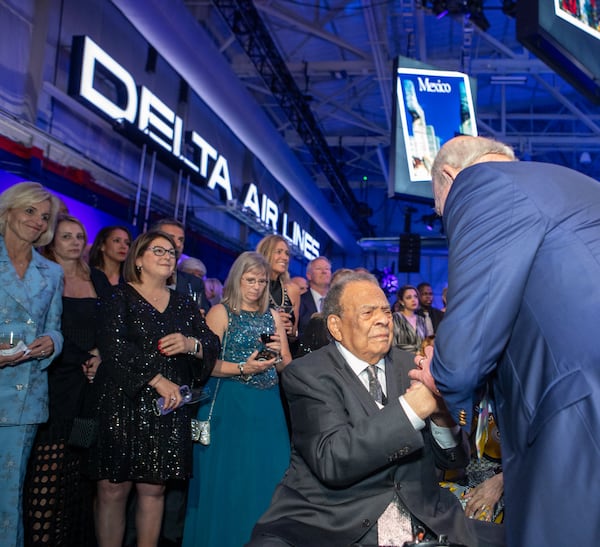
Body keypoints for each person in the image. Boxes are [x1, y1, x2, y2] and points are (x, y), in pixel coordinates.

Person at [409, 135, 600, 547]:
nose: (446, 220)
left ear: (448, 176)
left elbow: (462, 357)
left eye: (440, 209)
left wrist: (440, 383)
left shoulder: (478, 185)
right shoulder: (569, 183)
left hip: (577, 406)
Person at [248, 271, 503, 547]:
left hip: (425, 517)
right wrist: (414, 408)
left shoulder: (412, 367)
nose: (383, 319)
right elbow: (334, 459)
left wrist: (441, 414)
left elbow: (455, 461)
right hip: (338, 521)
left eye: (384, 310)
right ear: (336, 326)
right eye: (368, 313)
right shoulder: (308, 373)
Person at [90, 230, 219, 547]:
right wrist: (157, 380)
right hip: (121, 400)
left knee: (154, 488)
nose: (167, 256)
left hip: (167, 407)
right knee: (112, 488)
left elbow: (212, 345)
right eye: (158, 251)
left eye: (171, 253)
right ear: (138, 259)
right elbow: (114, 348)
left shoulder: (183, 304)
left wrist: (191, 344)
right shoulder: (118, 297)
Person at [183, 251, 292, 547]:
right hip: (230, 402)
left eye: (261, 281)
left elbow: (286, 365)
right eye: (250, 280)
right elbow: (206, 365)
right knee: (230, 481)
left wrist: (277, 354)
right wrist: (245, 367)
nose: (256, 287)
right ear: (237, 279)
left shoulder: (272, 316)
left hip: (268, 404)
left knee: (269, 476)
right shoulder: (220, 312)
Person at [24, 214, 99, 546]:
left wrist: (100, 355)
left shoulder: (97, 278)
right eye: (66, 236)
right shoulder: (41, 276)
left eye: (79, 236)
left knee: (79, 472)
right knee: (46, 471)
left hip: (90, 386)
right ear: (52, 240)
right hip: (54, 379)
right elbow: (34, 331)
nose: (74, 242)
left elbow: (112, 328)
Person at [0, 182, 63, 547]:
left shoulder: (51, 272)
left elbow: (55, 326)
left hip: (23, 398)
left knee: (8, 499)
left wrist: (52, 342)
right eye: (30, 212)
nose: (38, 222)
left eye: (44, 216)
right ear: (9, 210)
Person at [151, 219, 211, 315]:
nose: (178, 244)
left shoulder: (194, 284)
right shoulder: (135, 279)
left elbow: (206, 318)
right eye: (170, 238)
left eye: (181, 240)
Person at [256, 234, 300, 342]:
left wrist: (291, 330)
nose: (285, 258)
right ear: (265, 253)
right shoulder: (255, 286)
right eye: (279, 252)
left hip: (286, 353)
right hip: (257, 350)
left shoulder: (292, 290)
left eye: (287, 253)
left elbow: (295, 333)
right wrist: (273, 322)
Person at [88, 225, 131, 298]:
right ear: (102, 246)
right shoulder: (88, 275)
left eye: (127, 243)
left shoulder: (130, 279)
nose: (123, 246)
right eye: (117, 241)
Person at [297, 256, 332, 338]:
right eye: (319, 268)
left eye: (327, 269)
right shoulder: (300, 301)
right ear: (309, 275)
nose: (324, 272)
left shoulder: (337, 301)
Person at [392, 284, 428, 353]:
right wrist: (415, 351)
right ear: (402, 302)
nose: (413, 300)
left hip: (419, 360)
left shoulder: (421, 320)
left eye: (415, 297)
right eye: (409, 297)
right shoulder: (396, 317)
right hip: (401, 360)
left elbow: (425, 343)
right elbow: (394, 344)